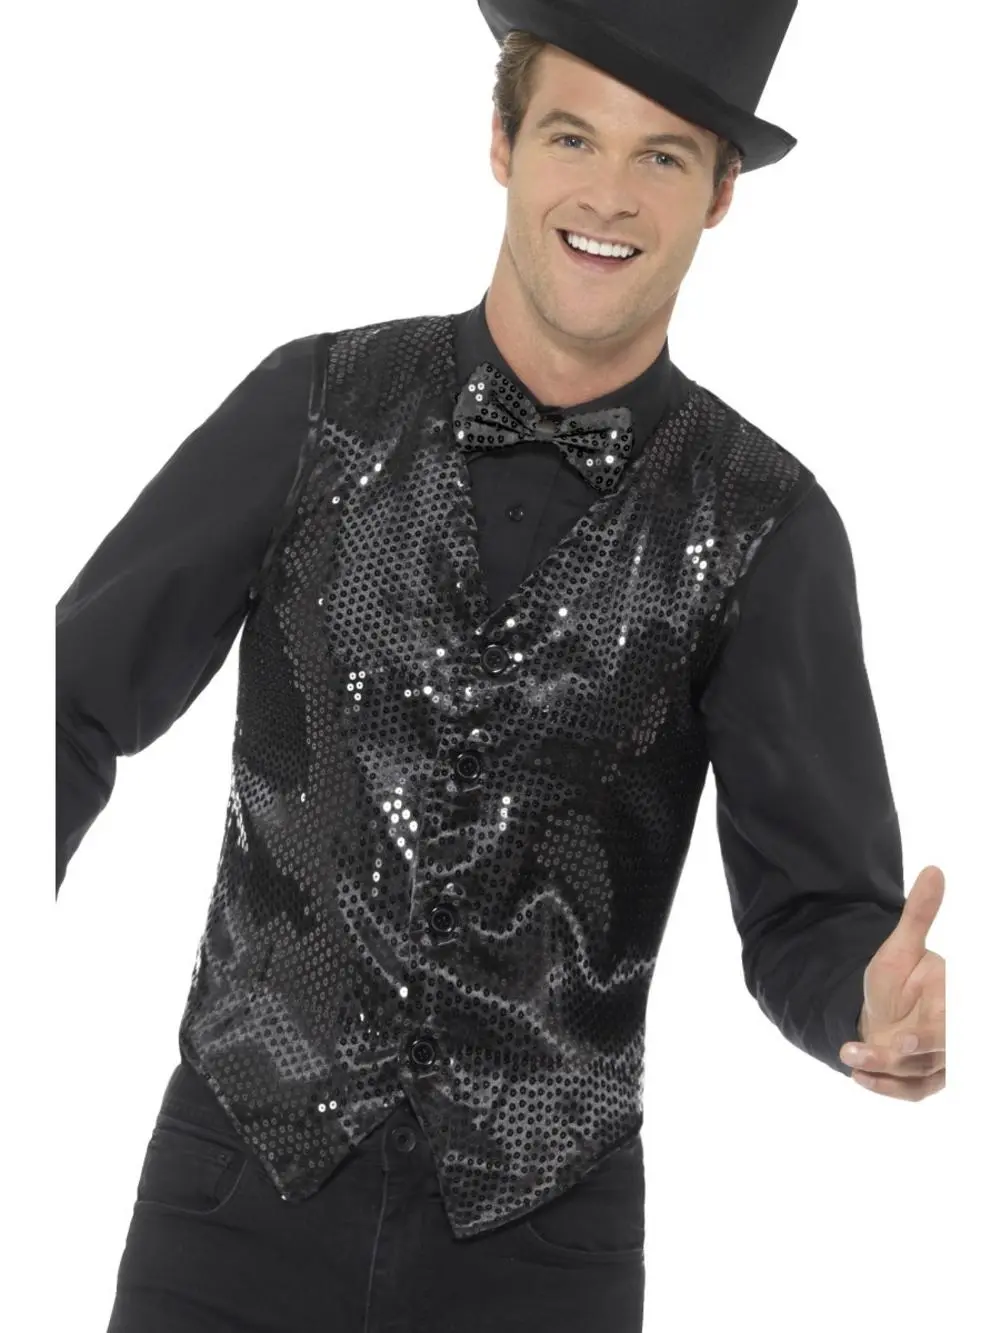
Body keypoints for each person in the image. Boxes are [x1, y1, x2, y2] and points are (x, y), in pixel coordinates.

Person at [56, 3, 924, 1330]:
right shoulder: (315, 404)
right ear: (504, 143)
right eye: (574, 135)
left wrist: (868, 1005)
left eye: (662, 155)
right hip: (234, 1197)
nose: (610, 195)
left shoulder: (768, 527)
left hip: (542, 1250)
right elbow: (65, 702)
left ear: (718, 195)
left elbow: (817, 910)